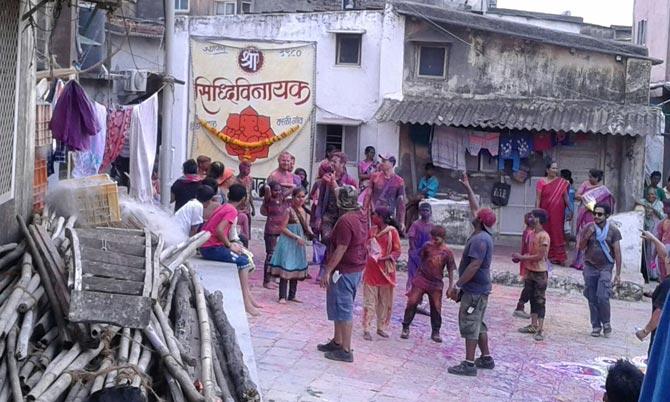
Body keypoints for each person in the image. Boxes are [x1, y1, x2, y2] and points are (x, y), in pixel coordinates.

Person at [447, 172, 496, 377]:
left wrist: (457, 285)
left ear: (479, 221)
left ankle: (469, 363)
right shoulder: (483, 232)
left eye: (476, 215)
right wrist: (467, 187)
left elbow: (474, 266)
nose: (473, 214)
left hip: (474, 290)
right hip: (480, 289)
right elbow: (475, 207)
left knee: (469, 323)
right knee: (479, 323)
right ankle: (485, 357)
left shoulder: (479, 240)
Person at [317, 186, 368, 363]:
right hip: (355, 268)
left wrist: (327, 270)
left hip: (344, 269)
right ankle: (337, 341)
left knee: (344, 308)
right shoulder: (361, 215)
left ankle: (346, 349)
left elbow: (341, 248)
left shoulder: (346, 221)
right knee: (338, 306)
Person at [200, 184, 261, 316]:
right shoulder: (231, 211)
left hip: (209, 245)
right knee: (244, 263)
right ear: (244, 199)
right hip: (211, 248)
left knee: (244, 258)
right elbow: (219, 230)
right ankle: (246, 303)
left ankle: (248, 298)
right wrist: (229, 245)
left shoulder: (224, 207)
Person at [400, 225, 456, 343]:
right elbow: (420, 260)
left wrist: (451, 286)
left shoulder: (447, 252)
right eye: (432, 238)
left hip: (436, 283)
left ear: (443, 238)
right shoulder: (427, 246)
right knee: (412, 302)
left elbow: (451, 269)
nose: (434, 241)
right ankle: (405, 327)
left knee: (436, 307)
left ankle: (435, 331)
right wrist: (414, 277)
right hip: (422, 278)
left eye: (437, 239)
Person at [578, 203, 622, 338]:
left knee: (602, 296)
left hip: (606, 267)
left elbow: (617, 252)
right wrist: (587, 235)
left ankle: (606, 323)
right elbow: (581, 247)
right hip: (590, 266)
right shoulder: (588, 228)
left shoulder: (614, 231)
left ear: (607, 216)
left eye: (599, 214)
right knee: (592, 297)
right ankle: (596, 325)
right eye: (594, 213)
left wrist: (618, 274)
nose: (596, 216)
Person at [312, 152, 358, 281]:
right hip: (328, 215)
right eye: (331, 161)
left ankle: (336, 268)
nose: (332, 164)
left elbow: (351, 201)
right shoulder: (325, 179)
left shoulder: (350, 181)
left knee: (341, 243)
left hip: (343, 217)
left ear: (343, 164)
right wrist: (318, 217)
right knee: (327, 238)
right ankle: (324, 267)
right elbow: (320, 200)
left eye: (335, 162)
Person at [270, 187, 314, 303]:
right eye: (298, 196)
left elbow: (305, 226)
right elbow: (282, 228)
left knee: (296, 265)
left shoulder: (305, 211)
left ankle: (292, 295)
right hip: (288, 242)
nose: (301, 199)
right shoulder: (289, 210)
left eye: (303, 197)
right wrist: (296, 237)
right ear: (293, 197)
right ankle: (282, 296)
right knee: (287, 265)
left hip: (299, 243)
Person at [362, 207, 400, 341]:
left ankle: (381, 327)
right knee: (370, 301)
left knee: (384, 302)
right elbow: (365, 246)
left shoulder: (392, 232)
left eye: (375, 215)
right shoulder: (371, 230)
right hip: (371, 270)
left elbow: (397, 252)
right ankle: (366, 328)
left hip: (385, 272)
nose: (372, 217)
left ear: (381, 218)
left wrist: (385, 258)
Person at [512, 209, 550, 341]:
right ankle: (534, 325)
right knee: (533, 299)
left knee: (540, 300)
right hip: (531, 270)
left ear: (538, 219)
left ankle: (540, 328)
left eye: (533, 217)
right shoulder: (532, 233)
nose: (530, 219)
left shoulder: (544, 236)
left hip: (539, 273)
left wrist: (522, 258)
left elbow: (540, 256)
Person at [571, 169, 616, 271]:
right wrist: (585, 198)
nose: (589, 178)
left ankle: (591, 261)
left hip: (594, 214)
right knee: (583, 234)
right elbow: (577, 196)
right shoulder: (585, 184)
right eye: (589, 176)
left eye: (592, 177)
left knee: (593, 236)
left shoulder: (602, 189)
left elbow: (609, 200)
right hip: (584, 213)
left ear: (597, 178)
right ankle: (579, 262)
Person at [637, 230, 670, 355]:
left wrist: (644, 331)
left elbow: (659, 312)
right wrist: (653, 239)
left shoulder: (667, 285)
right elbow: (665, 253)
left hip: (663, 337)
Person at [536, 161, 572, 266]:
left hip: (558, 212)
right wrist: (536, 212)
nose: (555, 170)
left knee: (557, 232)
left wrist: (570, 209)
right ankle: (546, 255)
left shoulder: (562, 182)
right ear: (547, 170)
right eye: (553, 168)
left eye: (556, 168)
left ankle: (559, 257)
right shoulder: (541, 182)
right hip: (545, 212)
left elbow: (566, 197)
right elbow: (538, 198)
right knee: (546, 232)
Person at [366, 153, 406, 234]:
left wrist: (401, 221)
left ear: (392, 164)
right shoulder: (375, 177)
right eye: (382, 161)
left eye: (384, 161)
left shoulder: (399, 181)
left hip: (389, 216)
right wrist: (365, 210)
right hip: (375, 215)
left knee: (387, 237)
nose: (382, 163)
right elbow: (368, 195)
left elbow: (401, 202)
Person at [261, 181, 288, 289]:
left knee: (277, 255)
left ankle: (272, 278)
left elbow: (294, 187)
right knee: (270, 255)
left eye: (279, 190)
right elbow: (267, 189)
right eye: (275, 190)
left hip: (279, 230)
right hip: (271, 230)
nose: (278, 192)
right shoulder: (268, 200)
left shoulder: (281, 198)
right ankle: (266, 281)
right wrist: (268, 186)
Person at [637, 187, 666, 282]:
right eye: (649, 194)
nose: (650, 196)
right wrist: (645, 206)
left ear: (656, 195)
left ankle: (656, 273)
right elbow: (637, 201)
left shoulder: (659, 204)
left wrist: (653, 209)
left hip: (657, 231)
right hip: (648, 230)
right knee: (649, 254)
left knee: (655, 253)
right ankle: (649, 272)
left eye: (653, 194)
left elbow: (662, 216)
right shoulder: (644, 202)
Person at [406, 202, 434, 293]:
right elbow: (411, 239)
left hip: (426, 255)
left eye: (427, 210)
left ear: (430, 212)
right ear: (419, 212)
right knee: (413, 275)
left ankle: (419, 295)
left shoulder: (432, 226)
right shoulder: (415, 224)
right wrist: (414, 252)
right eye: (423, 210)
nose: (425, 212)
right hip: (415, 254)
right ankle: (410, 293)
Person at [512, 212, 534, 319]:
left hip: (527, 262)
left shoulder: (527, 232)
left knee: (530, 286)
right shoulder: (530, 234)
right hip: (529, 263)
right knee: (530, 286)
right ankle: (520, 307)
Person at [236, 161, 255, 243]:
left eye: (249, 168)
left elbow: (250, 193)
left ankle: (246, 245)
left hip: (247, 209)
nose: (249, 170)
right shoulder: (235, 180)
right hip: (238, 209)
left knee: (247, 230)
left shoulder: (250, 179)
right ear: (241, 169)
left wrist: (253, 207)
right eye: (247, 168)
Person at [655, 200, 670, 281]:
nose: (663, 208)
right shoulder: (662, 223)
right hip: (662, 254)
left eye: (666, 206)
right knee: (663, 276)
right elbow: (658, 240)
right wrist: (653, 257)